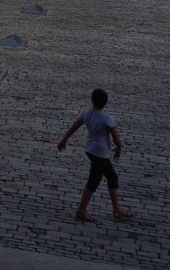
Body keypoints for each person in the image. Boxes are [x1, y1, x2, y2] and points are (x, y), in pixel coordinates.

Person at [56, 88, 132, 222]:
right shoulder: (107, 118)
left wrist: (63, 140)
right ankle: (81, 210)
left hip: (91, 150)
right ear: (105, 103)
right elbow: (116, 139)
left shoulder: (86, 113)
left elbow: (74, 127)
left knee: (112, 178)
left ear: (92, 101)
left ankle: (117, 209)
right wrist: (119, 149)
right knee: (93, 182)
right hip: (101, 153)